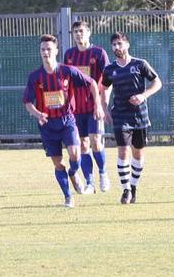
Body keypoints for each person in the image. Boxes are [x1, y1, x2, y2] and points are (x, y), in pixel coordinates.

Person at [23, 34, 103, 208]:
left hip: (67, 120)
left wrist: (97, 104)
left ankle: (74, 173)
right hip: (47, 125)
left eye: (49, 49)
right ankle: (68, 197)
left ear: (56, 51)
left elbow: (92, 83)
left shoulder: (67, 71)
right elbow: (28, 103)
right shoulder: (35, 77)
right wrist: (38, 114)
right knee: (58, 162)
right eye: (43, 49)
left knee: (75, 153)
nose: (46, 52)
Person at [99, 32, 163, 205]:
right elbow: (103, 89)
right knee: (123, 151)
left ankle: (133, 186)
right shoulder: (110, 69)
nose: (116, 48)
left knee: (138, 154)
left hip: (139, 116)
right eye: (114, 45)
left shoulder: (140, 64)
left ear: (127, 45)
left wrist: (143, 95)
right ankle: (126, 189)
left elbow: (157, 82)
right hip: (120, 115)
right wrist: (104, 109)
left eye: (119, 44)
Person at [63, 21, 111, 194]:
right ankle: (90, 183)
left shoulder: (98, 53)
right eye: (75, 31)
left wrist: (103, 104)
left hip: (94, 106)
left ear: (89, 33)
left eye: (81, 31)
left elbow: (107, 80)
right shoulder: (69, 55)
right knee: (83, 145)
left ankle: (103, 174)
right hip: (76, 109)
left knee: (96, 142)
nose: (78, 34)